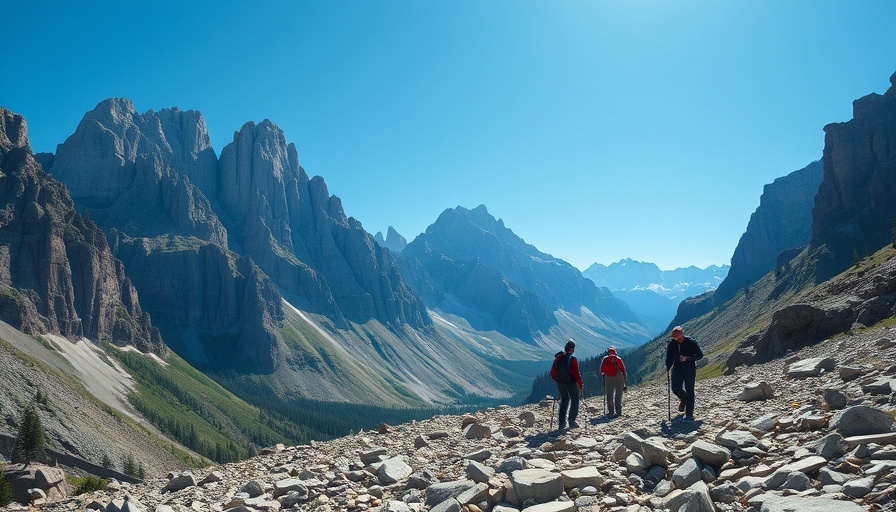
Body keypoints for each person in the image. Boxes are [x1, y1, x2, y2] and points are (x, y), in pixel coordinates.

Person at [665, 326, 704, 420]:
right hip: (677, 368)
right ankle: (684, 398)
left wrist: (687, 358)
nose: (676, 340)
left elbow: (700, 355)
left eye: (677, 338)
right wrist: (668, 367)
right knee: (675, 388)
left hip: (689, 368)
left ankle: (689, 413)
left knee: (689, 389)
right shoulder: (672, 343)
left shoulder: (690, 341)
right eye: (674, 338)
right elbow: (669, 356)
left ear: (682, 334)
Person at [550, 339, 584, 429]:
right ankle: (572, 421)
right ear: (572, 349)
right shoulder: (572, 359)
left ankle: (561, 423)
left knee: (564, 401)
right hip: (571, 383)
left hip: (560, 383)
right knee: (575, 399)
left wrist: (557, 380)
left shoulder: (558, 358)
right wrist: (580, 383)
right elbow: (576, 373)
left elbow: (552, 373)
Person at [600, 346, 627, 417]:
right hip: (618, 377)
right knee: (618, 395)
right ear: (615, 352)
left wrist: (604, 375)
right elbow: (622, 369)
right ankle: (618, 412)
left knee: (609, 395)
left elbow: (602, 370)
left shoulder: (605, 359)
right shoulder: (618, 359)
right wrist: (624, 379)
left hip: (608, 377)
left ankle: (611, 412)